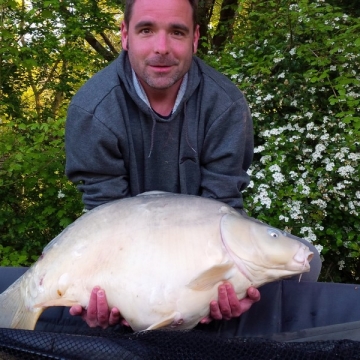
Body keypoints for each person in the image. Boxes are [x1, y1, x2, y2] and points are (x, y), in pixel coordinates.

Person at [65, 0, 320, 329]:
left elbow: (221, 206)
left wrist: (226, 285)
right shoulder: (92, 108)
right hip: (129, 253)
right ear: (125, 35)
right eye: (146, 30)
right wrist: (119, 292)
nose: (162, 48)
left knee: (306, 261)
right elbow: (106, 219)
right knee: (108, 304)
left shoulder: (226, 104)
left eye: (177, 32)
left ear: (195, 38)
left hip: (199, 250)